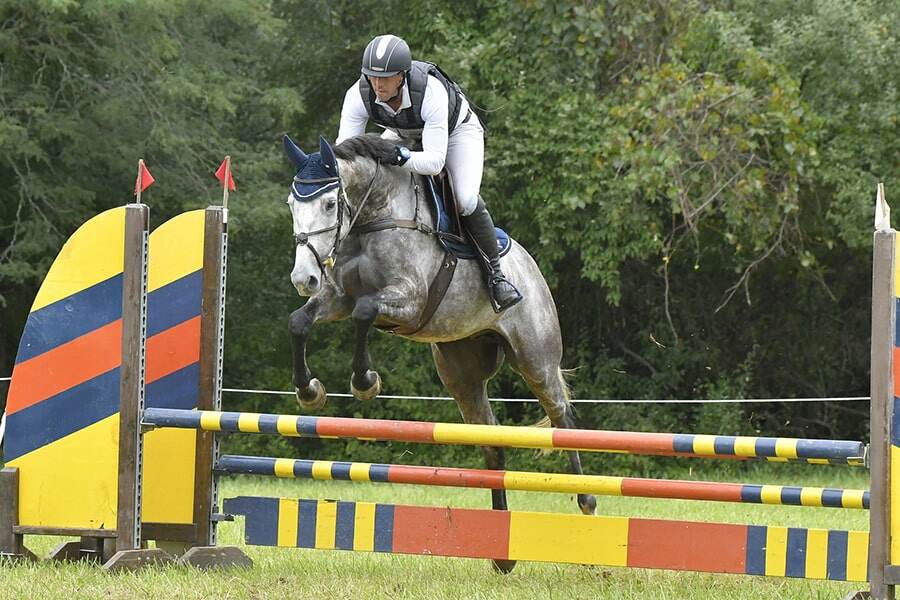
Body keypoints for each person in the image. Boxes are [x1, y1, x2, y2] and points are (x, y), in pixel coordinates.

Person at [336, 34, 522, 312]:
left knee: (465, 199)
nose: (377, 84)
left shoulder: (430, 92)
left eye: (385, 78)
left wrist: (399, 156)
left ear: (402, 76)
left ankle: (496, 276)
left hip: (458, 132)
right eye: (372, 77)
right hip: (404, 133)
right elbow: (344, 154)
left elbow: (434, 162)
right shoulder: (358, 94)